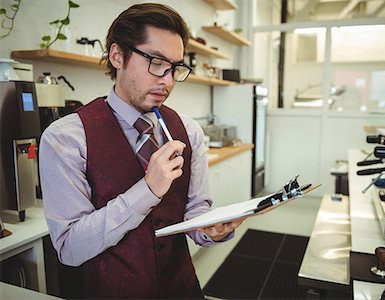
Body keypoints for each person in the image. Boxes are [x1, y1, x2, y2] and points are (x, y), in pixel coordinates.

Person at [39, 3, 242, 299]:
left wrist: (210, 229)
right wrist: (147, 190)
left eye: (175, 68)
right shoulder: (65, 138)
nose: (168, 80)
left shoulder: (188, 131)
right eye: (156, 63)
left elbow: (195, 210)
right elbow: (70, 247)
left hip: (183, 290)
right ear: (118, 55)